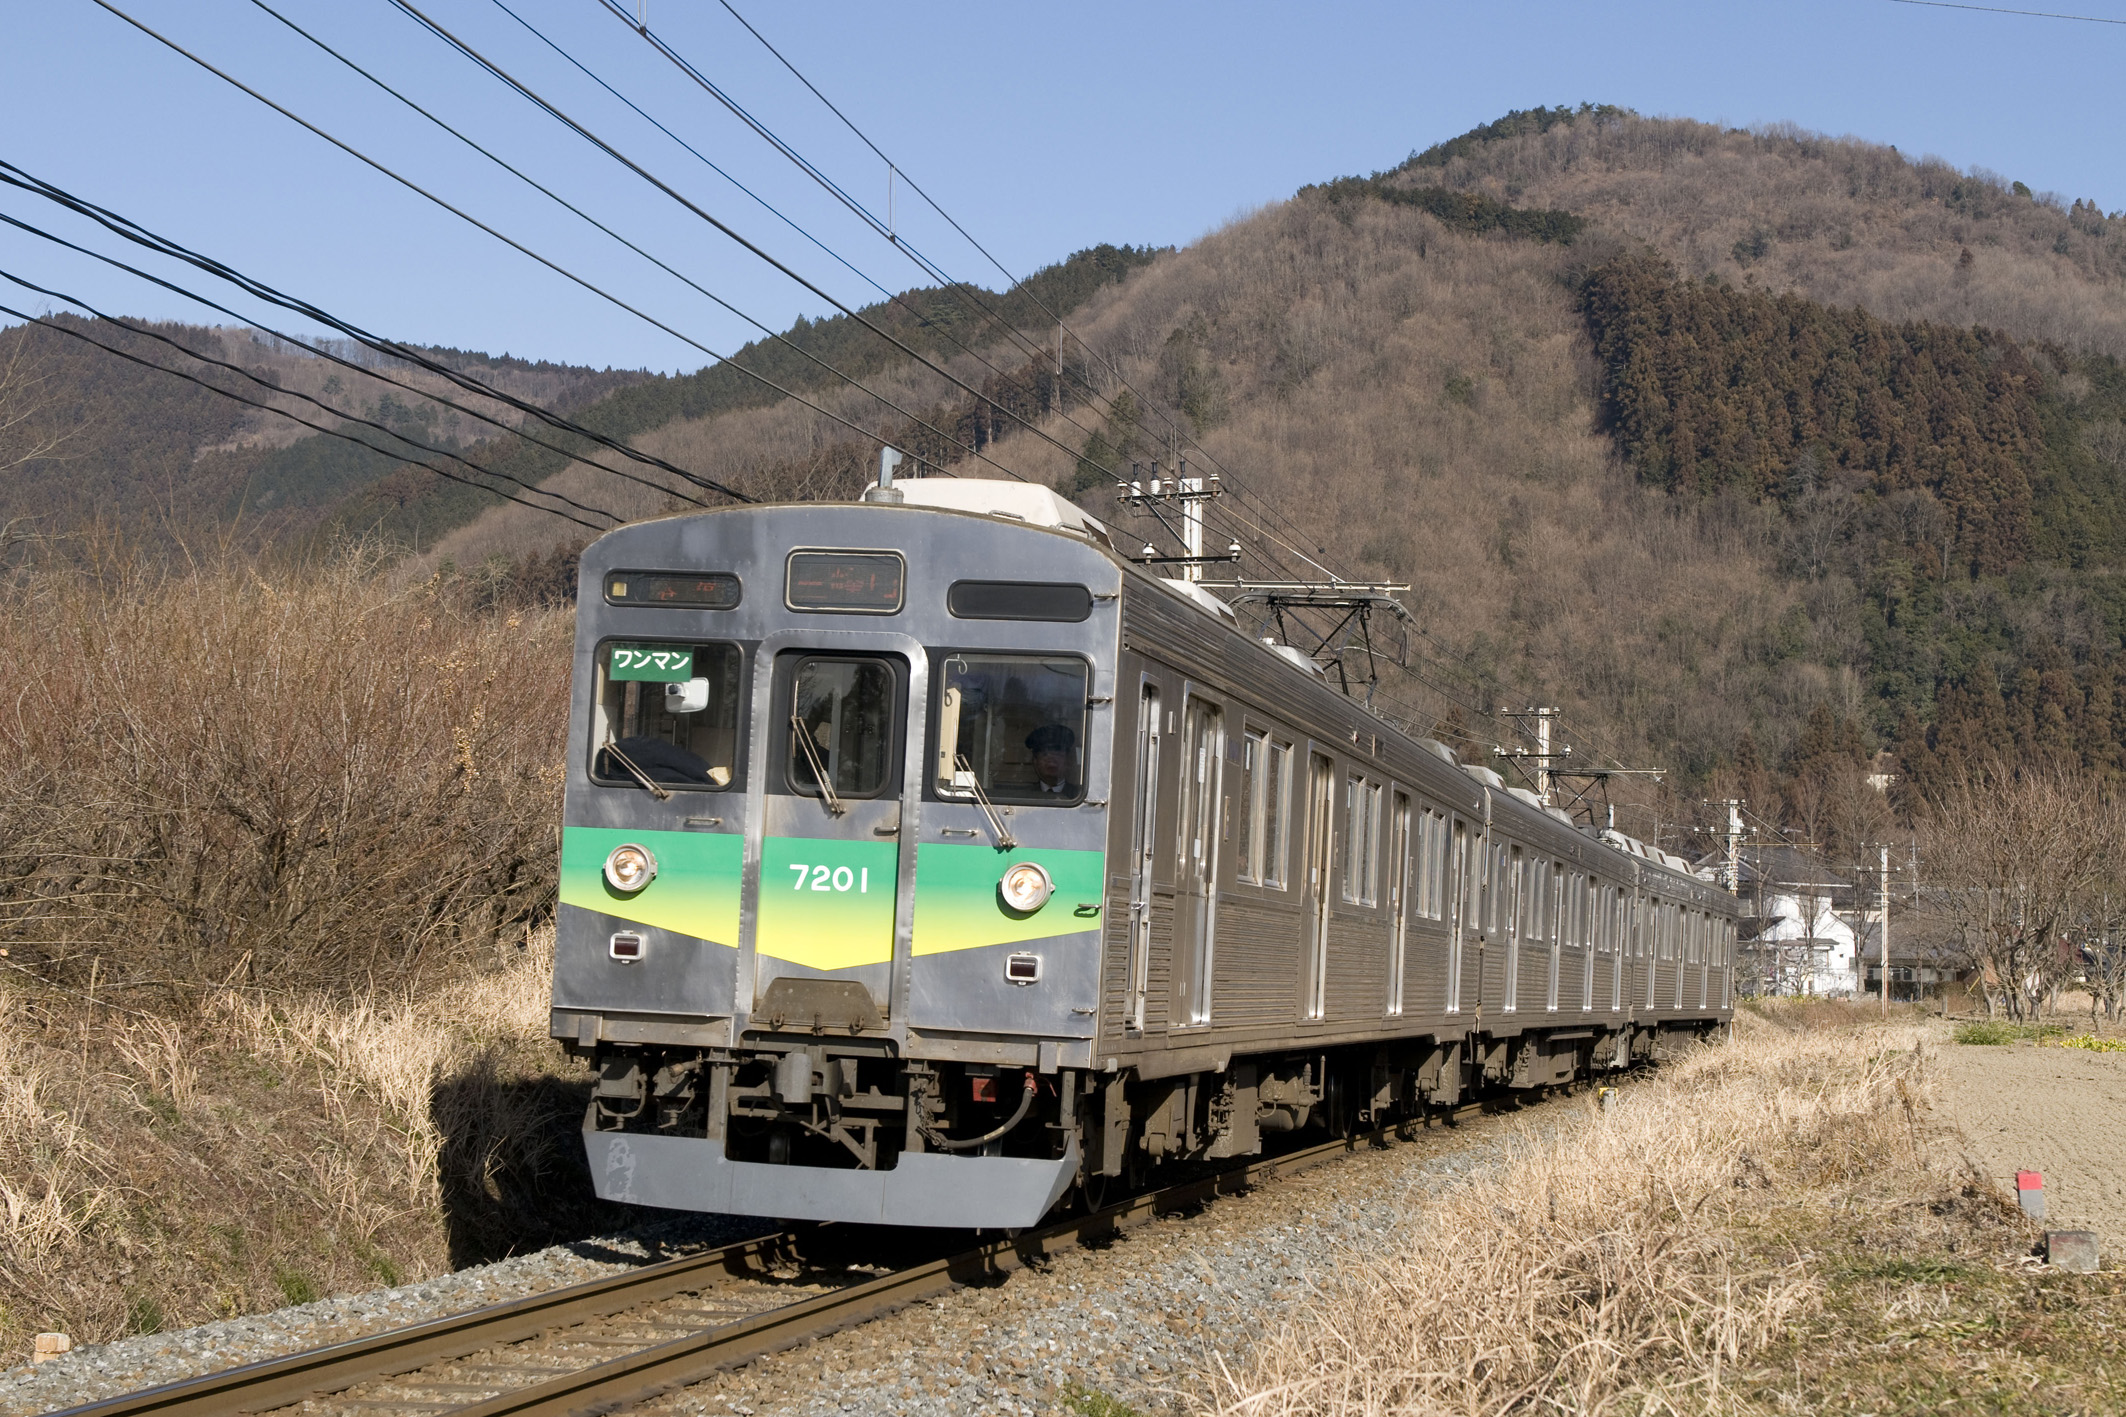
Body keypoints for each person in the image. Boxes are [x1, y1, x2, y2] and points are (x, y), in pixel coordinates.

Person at [1025, 723, 1080, 797]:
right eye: (1045, 754)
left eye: (1058, 755)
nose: (1051, 760)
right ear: (1035, 761)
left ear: (1068, 760)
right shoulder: (1025, 795)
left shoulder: (1078, 795)